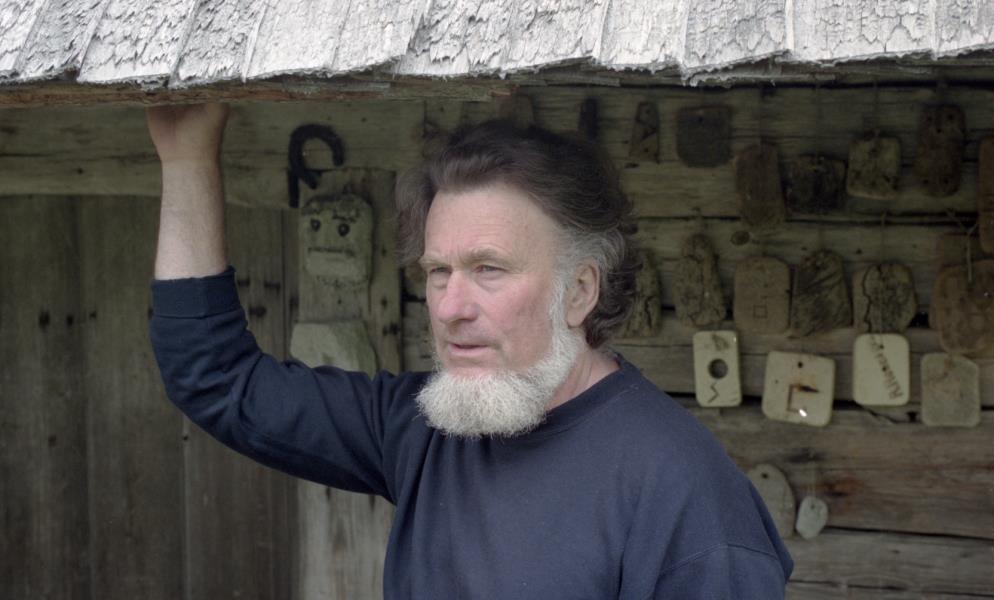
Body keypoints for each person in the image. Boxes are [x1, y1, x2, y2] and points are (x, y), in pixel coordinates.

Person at [147, 103, 793, 598]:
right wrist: (185, 158)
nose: (451, 307)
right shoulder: (421, 429)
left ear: (579, 292)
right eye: (438, 272)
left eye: (489, 269)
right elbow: (215, 377)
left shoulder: (687, 496)